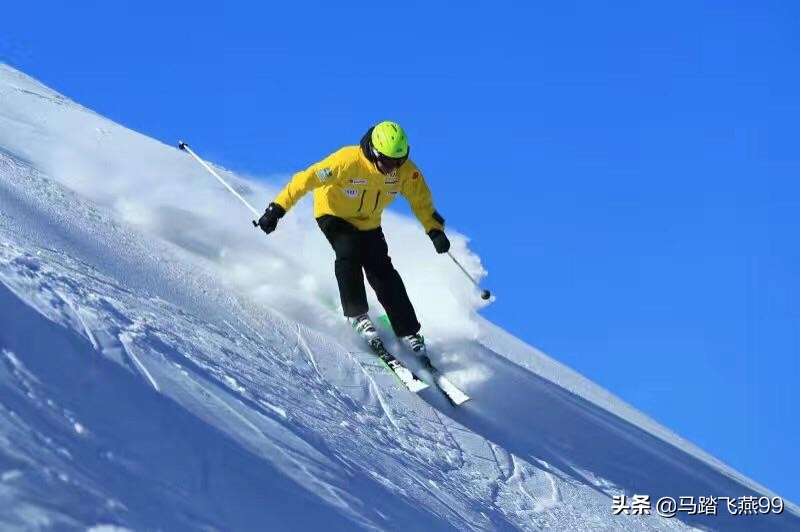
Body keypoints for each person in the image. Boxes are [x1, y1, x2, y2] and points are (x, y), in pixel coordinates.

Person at [257, 121, 450, 355]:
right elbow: (305, 180)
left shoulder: (406, 172)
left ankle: (408, 330)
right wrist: (277, 209)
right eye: (387, 161)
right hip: (333, 213)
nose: (393, 168)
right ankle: (357, 315)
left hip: (369, 222)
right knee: (348, 251)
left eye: (398, 161)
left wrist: (434, 230)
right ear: (374, 152)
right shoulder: (347, 161)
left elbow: (421, 201)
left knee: (382, 269)